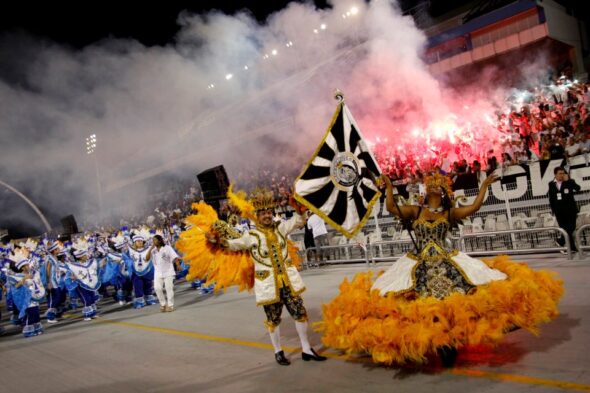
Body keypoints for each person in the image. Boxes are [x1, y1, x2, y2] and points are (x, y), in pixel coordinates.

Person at [319, 172, 563, 366]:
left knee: (459, 300)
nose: (433, 188)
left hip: (447, 261)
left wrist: (484, 187)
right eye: (430, 186)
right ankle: (426, 339)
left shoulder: (449, 212)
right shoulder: (415, 210)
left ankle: (452, 341)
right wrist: (390, 188)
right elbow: (392, 207)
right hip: (418, 262)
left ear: (445, 192)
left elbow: (475, 207)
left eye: (438, 186)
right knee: (405, 300)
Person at [204, 189, 327, 366]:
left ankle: (306, 349)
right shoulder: (251, 236)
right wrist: (216, 241)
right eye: (263, 214)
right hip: (269, 285)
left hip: (288, 282)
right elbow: (232, 245)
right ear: (257, 216)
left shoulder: (281, 228)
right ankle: (278, 351)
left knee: (300, 313)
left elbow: (298, 221)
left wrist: (300, 210)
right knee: (273, 319)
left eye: (269, 213)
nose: (267, 216)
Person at [548, 166, 581, 252]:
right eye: (560, 173)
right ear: (555, 174)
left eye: (563, 173)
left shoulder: (569, 182)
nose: (562, 175)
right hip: (559, 212)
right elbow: (551, 199)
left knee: (571, 228)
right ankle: (572, 247)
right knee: (564, 228)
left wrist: (569, 180)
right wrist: (553, 210)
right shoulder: (551, 184)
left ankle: (560, 241)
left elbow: (578, 188)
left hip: (571, 210)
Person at [146, 234, 180, 312]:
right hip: (158, 273)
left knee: (169, 289)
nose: (153, 242)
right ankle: (163, 304)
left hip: (168, 272)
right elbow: (147, 259)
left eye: (155, 240)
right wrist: (151, 248)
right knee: (157, 288)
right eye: (153, 240)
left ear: (160, 240)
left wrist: (178, 265)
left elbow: (175, 257)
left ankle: (170, 305)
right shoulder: (152, 250)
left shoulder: (167, 248)